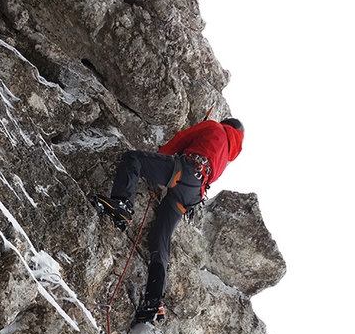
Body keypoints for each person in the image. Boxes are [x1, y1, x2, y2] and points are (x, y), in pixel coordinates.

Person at [91, 117, 244, 323]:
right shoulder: (226, 155)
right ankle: (154, 301)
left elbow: (182, 138)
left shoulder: (214, 126)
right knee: (160, 240)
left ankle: (122, 203)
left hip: (186, 171)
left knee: (133, 159)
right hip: (192, 194)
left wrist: (160, 156)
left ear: (226, 123)